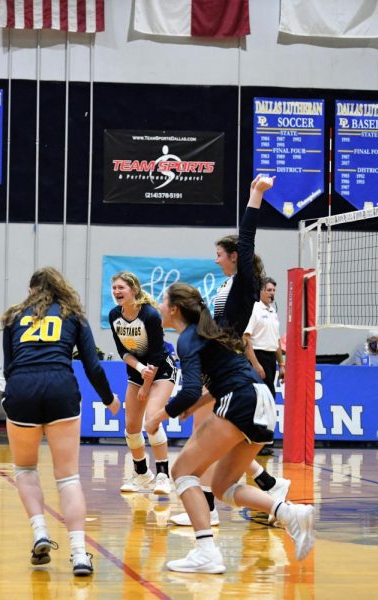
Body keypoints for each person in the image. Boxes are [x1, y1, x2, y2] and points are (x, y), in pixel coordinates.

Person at [145, 283, 315, 574]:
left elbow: (188, 391)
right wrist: (194, 407)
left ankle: (206, 552)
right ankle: (290, 513)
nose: (159, 305)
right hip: (261, 401)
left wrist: (157, 417)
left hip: (241, 400)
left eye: (162, 301)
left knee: (182, 472)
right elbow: (213, 387)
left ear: (174, 309)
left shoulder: (187, 338)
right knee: (223, 486)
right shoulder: (208, 333)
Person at [170, 175, 289, 526]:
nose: (216, 259)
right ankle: (264, 490)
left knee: (196, 450)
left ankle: (207, 512)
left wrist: (255, 196)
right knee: (203, 437)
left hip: (232, 369)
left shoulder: (244, 284)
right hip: (223, 365)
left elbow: (248, 239)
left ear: (235, 257)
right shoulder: (226, 286)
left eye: (220, 255)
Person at [0, 267, 120, 577]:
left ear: (32, 290)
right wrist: (109, 399)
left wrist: (15, 395)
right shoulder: (74, 315)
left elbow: (10, 367)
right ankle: (79, 554)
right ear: (59, 289)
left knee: (26, 469)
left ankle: (40, 531)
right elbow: (92, 365)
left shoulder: (14, 316)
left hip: (22, 387)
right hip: (60, 387)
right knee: (67, 478)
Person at [109, 272, 176, 495]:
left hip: (161, 368)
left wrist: (147, 386)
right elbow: (122, 351)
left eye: (122, 288)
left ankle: (163, 476)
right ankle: (142, 475)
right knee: (131, 426)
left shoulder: (149, 315)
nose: (117, 292)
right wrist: (139, 370)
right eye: (115, 288)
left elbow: (157, 353)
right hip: (139, 371)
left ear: (134, 290)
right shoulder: (114, 316)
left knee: (152, 421)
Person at [243, 277, 284, 400]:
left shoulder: (273, 312)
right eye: (269, 290)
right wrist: (255, 364)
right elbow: (246, 337)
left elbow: (276, 341)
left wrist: (281, 364)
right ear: (261, 291)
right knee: (260, 396)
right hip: (258, 356)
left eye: (274, 290)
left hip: (271, 359)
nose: (272, 293)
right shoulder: (254, 309)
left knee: (269, 395)